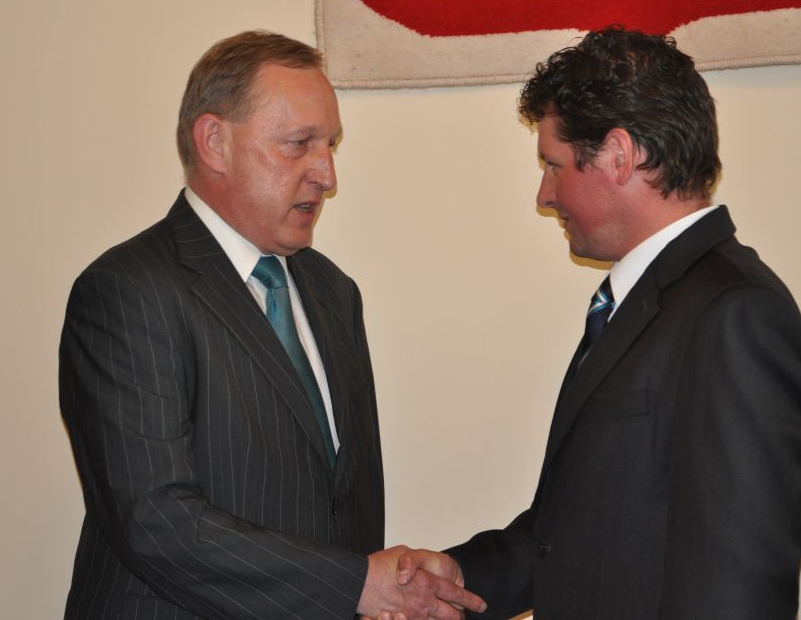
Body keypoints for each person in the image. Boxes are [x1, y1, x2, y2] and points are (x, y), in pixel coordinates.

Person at [59, 31, 485, 620]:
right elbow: (155, 520)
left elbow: (340, 505)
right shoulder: (129, 290)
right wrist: (357, 586)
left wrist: (375, 591)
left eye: (330, 145)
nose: (327, 174)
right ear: (214, 142)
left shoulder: (333, 291)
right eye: (298, 144)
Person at [398, 27, 801, 618]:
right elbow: (580, 530)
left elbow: (738, 585)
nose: (544, 195)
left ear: (619, 154)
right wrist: (461, 577)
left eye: (554, 165)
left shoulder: (735, 312)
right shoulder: (646, 302)